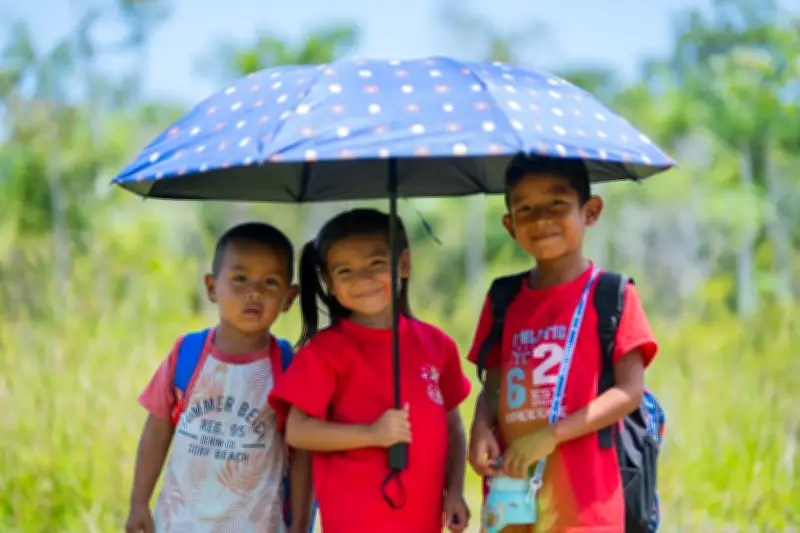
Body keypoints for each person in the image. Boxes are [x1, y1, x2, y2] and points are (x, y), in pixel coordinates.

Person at [467, 156, 659, 533]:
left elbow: (630, 392)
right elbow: (493, 385)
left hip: (587, 501)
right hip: (512, 495)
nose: (541, 219)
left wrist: (549, 436)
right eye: (525, 208)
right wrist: (480, 427)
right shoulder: (503, 298)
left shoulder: (612, 295)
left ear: (590, 211)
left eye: (556, 204)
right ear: (509, 225)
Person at [268, 208, 472, 533]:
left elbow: (453, 427)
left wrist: (456, 490)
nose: (362, 279)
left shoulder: (437, 345)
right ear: (328, 282)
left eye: (376, 264)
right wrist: (372, 435)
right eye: (344, 270)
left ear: (403, 264)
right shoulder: (325, 352)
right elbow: (298, 431)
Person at [125, 222, 314, 533]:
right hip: (180, 523)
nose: (254, 291)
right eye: (240, 278)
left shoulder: (287, 367)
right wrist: (138, 502)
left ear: (289, 297)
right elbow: (157, 429)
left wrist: (301, 524)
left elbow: (302, 451)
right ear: (212, 287)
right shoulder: (187, 354)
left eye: (270, 281)